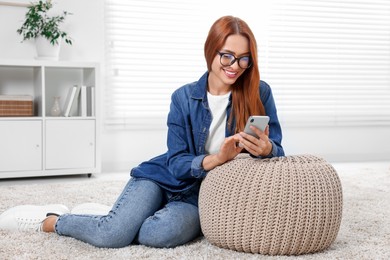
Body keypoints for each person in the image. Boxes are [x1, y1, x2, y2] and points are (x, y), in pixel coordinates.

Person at [0, 15, 284, 248]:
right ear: (211, 52)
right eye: (227, 57)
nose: (235, 67)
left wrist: (268, 149)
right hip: (162, 178)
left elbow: (280, 152)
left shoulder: (259, 92)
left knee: (156, 235)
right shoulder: (183, 97)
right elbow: (176, 161)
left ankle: (115, 216)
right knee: (111, 236)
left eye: (244, 59)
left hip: (200, 196)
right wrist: (216, 159)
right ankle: (53, 219)